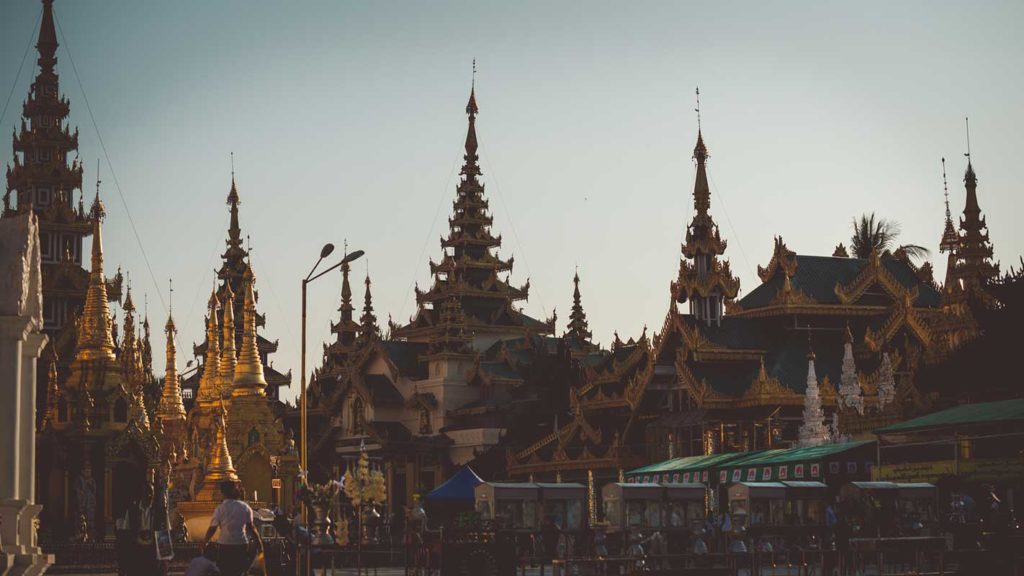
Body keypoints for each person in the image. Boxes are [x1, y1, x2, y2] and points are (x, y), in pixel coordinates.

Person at [202, 481, 264, 576]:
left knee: (225, 571)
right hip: (241, 544)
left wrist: (205, 542)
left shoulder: (220, 508)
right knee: (239, 571)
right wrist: (259, 543)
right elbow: (251, 527)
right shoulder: (245, 507)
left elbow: (212, 528)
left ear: (223, 493)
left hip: (225, 545)